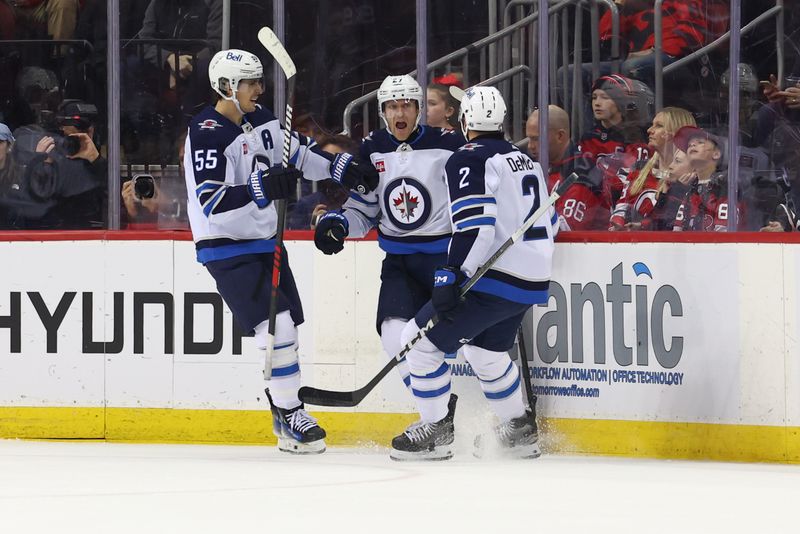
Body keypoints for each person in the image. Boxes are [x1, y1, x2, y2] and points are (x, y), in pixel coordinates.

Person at [184, 49, 378, 454]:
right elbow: (211, 202)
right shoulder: (207, 131)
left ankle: (284, 410)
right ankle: (290, 412)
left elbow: (298, 154)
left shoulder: (262, 119)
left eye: (259, 80)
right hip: (226, 247)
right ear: (226, 87)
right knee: (278, 329)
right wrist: (262, 188)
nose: (259, 88)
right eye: (251, 82)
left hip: (265, 239)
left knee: (286, 327)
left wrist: (341, 167)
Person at [389, 86, 558, 461]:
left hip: (492, 278)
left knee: (417, 342)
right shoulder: (525, 159)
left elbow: (475, 225)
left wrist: (452, 273)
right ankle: (518, 430)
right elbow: (551, 219)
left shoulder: (467, 158)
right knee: (487, 353)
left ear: (465, 122)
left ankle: (436, 430)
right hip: (531, 278)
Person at [312, 74, 464, 393]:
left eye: (406, 105)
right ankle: (438, 412)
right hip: (399, 264)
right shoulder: (373, 148)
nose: (399, 114)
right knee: (394, 336)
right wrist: (339, 224)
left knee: (466, 344)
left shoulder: (449, 145)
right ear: (383, 111)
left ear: (418, 108)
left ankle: (480, 411)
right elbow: (364, 209)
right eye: (392, 107)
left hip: (445, 261)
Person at [15, 99, 108, 229]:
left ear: (91, 133)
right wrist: (39, 163)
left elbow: (115, 198)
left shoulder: (97, 164)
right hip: (51, 233)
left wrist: (95, 160)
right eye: (68, 138)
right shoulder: (49, 160)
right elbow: (28, 206)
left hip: (90, 233)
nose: (71, 144)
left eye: (78, 138)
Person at [609, 106, 696, 230]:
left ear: (678, 134)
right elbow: (621, 212)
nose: (650, 130)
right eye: (652, 125)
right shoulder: (638, 169)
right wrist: (618, 226)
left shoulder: (692, 180)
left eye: (659, 126)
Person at [526, 105, 609, 230]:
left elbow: (565, 230)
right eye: (529, 139)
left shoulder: (581, 174)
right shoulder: (538, 165)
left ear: (560, 136)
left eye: (536, 139)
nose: (530, 146)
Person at [578, 75, 653, 207]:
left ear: (620, 102)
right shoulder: (589, 137)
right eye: (594, 97)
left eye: (605, 97)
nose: (597, 103)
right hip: (596, 205)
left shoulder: (637, 137)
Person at [671, 125, 737, 232]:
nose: (692, 144)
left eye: (700, 142)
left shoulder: (726, 189)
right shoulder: (690, 192)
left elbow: (723, 238)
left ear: (716, 154)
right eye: (689, 145)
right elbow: (676, 231)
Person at [286, 134, 354, 230]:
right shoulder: (307, 204)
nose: (330, 166)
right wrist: (313, 228)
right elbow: (295, 240)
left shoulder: (364, 199)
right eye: (324, 162)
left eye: (336, 163)